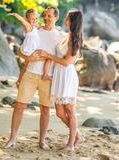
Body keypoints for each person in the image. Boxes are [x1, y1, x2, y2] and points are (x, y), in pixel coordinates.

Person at [5, 6, 65, 149]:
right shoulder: (36, 30)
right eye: (45, 15)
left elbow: (62, 60)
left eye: (49, 16)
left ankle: (42, 140)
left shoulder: (60, 37)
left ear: (56, 17)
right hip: (30, 74)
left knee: (45, 109)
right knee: (19, 106)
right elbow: (20, 52)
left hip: (48, 78)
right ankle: (12, 138)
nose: (46, 18)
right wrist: (28, 60)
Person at [38, 9, 84, 151]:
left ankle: (70, 144)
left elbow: (66, 62)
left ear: (73, 21)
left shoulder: (75, 38)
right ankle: (78, 135)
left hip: (67, 75)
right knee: (59, 112)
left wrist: (48, 55)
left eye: (67, 18)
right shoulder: (67, 35)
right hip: (59, 75)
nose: (65, 20)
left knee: (70, 110)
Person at [9, 9, 52, 89]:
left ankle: (19, 81)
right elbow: (23, 21)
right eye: (32, 19)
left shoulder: (35, 28)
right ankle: (19, 81)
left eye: (36, 19)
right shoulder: (29, 27)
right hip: (28, 50)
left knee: (26, 65)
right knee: (28, 65)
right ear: (27, 19)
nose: (35, 20)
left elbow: (38, 28)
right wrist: (16, 15)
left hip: (31, 48)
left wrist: (43, 27)